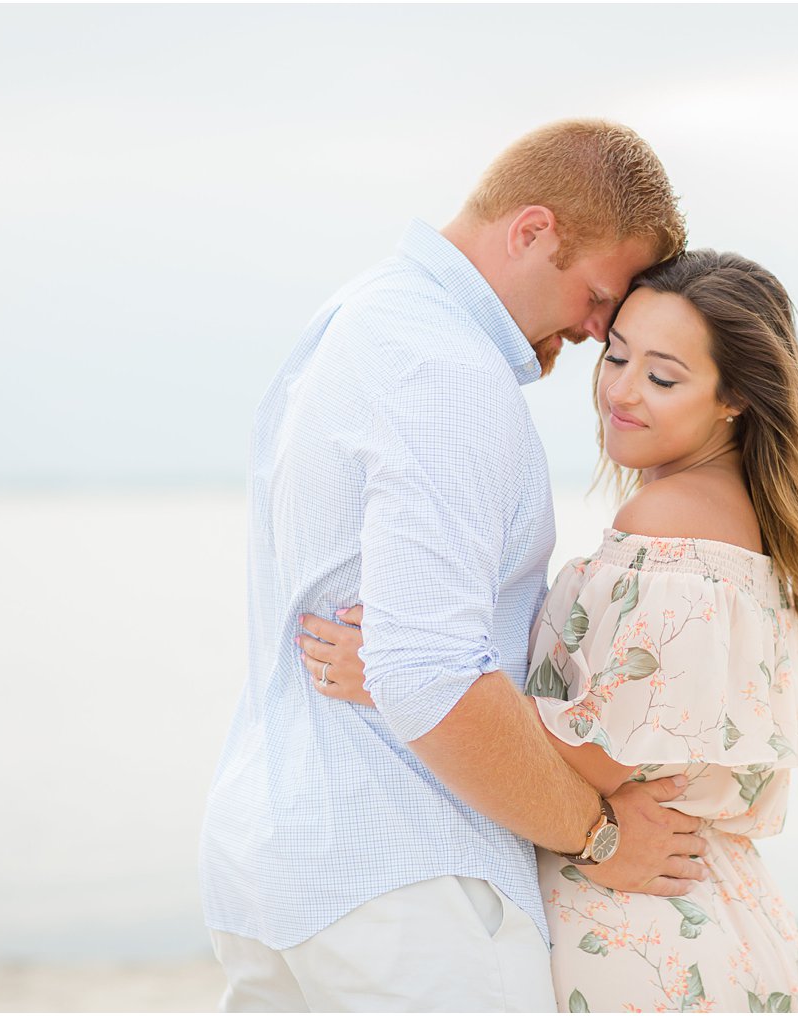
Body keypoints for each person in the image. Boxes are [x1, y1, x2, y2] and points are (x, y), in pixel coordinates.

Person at [200, 119, 710, 1013]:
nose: (598, 332)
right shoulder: (444, 370)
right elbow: (426, 675)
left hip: (275, 866)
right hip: (404, 885)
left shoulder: (362, 317)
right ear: (532, 231)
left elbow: (397, 648)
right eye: (597, 296)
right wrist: (599, 838)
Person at [302, 250, 798, 1012]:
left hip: (642, 933)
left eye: (662, 377)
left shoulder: (669, 526)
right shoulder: (742, 526)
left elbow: (602, 757)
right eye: (616, 356)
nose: (620, 391)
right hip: (715, 908)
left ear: (735, 398)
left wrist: (407, 675)